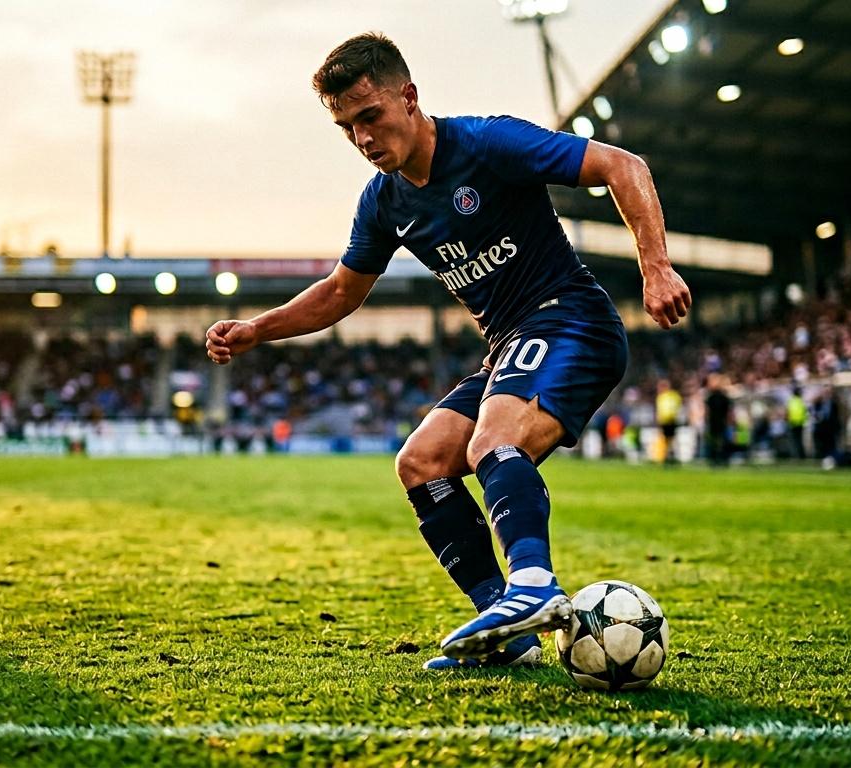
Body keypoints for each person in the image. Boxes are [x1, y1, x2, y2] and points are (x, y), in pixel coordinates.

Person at [205, 33, 690, 670]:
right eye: (347, 127)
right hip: (509, 344)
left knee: (491, 441)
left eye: (370, 116)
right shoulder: (384, 202)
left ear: (408, 97)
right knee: (422, 462)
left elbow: (622, 165)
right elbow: (341, 292)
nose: (363, 139)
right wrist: (257, 330)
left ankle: (533, 587)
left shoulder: (488, 144)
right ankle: (508, 633)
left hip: (572, 320)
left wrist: (655, 268)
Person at [703, 375, 730, 467]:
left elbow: (728, 411)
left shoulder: (723, 397)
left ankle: (721, 459)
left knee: (721, 442)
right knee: (714, 442)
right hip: (713, 422)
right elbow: (707, 411)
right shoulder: (710, 397)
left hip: (720, 423)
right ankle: (714, 459)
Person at [654, 379, 682, 465]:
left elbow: (676, 408)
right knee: (667, 440)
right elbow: (659, 410)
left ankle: (672, 457)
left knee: (672, 440)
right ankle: (667, 457)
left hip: (671, 421)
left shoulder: (672, 396)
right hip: (665, 421)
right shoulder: (661, 397)